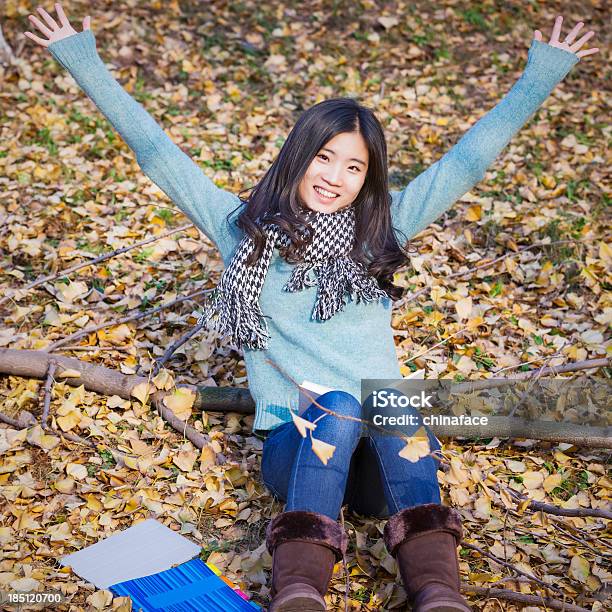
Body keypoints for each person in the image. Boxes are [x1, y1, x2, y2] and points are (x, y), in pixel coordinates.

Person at [25, 4, 598, 611]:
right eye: (324, 157)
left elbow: (465, 162)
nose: (335, 176)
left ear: (367, 178)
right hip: (297, 450)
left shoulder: (385, 225)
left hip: (385, 463)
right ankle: (299, 592)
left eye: (354, 166)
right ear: (298, 156)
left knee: (389, 401)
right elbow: (158, 153)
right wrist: (80, 59)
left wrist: (542, 74)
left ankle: (436, 593)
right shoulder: (243, 230)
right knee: (344, 403)